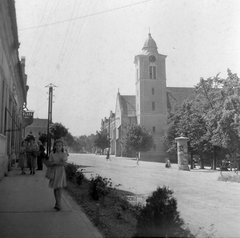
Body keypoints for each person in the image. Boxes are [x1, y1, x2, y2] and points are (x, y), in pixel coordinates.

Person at [47, 139, 68, 211]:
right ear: (55, 146)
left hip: (61, 171)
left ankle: (59, 203)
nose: (58, 147)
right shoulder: (52, 154)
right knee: (55, 187)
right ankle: (57, 202)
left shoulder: (64, 154)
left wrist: (54, 163)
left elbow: (64, 163)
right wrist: (54, 163)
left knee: (59, 187)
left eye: (60, 146)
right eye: (57, 145)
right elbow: (49, 163)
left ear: (62, 147)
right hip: (54, 172)